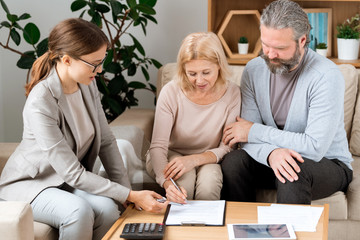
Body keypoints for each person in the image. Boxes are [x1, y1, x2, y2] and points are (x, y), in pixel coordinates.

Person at [0, 18, 168, 240]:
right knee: (78, 211)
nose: (99, 70)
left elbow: (107, 142)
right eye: (94, 63)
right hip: (32, 184)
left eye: (102, 61)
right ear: (67, 60)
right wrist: (132, 194)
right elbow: (72, 172)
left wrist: (127, 194)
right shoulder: (41, 101)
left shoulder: (87, 84)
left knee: (109, 209)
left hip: (65, 182)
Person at [221, 0, 353, 204]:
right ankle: (240, 232)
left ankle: (285, 235)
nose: (270, 55)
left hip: (327, 163)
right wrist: (271, 153)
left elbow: (314, 147)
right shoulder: (253, 70)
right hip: (276, 159)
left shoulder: (325, 76)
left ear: (302, 41)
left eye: (280, 48)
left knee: (293, 171)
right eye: (266, 45)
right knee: (233, 162)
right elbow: (245, 136)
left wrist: (255, 131)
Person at [146, 32, 241, 203]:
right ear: (183, 70)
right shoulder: (171, 92)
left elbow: (227, 147)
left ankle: (206, 230)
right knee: (184, 184)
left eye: (206, 72)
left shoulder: (233, 93)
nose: (199, 81)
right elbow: (158, 147)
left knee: (210, 185)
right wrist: (167, 184)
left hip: (210, 157)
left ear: (219, 65)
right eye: (192, 73)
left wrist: (194, 160)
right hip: (170, 155)